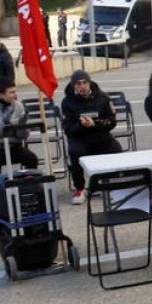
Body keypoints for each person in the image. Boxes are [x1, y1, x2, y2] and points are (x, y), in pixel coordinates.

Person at [60, 69, 121, 205]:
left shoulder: (103, 98)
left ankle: (108, 185)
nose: (82, 86)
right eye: (78, 84)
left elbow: (111, 121)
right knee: (75, 152)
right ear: (73, 85)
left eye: (85, 83)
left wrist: (95, 124)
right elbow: (68, 129)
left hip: (100, 135)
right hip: (80, 138)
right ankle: (80, 189)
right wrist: (82, 125)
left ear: (90, 83)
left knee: (115, 148)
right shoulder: (67, 102)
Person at [0, 79, 38, 181]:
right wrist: (3, 122)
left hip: (12, 145)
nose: (15, 95)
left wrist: (22, 125)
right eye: (11, 92)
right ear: (0, 95)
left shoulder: (18, 106)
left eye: (15, 91)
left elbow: (23, 137)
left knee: (31, 159)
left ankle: (27, 185)